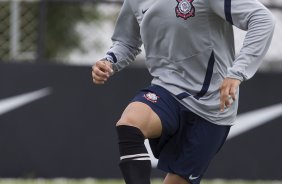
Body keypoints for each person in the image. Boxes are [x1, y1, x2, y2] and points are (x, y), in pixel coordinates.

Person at [91, 0, 275, 183]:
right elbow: (126, 42)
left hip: (213, 105)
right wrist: (109, 61)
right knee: (129, 124)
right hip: (166, 89)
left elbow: (262, 18)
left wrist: (237, 73)